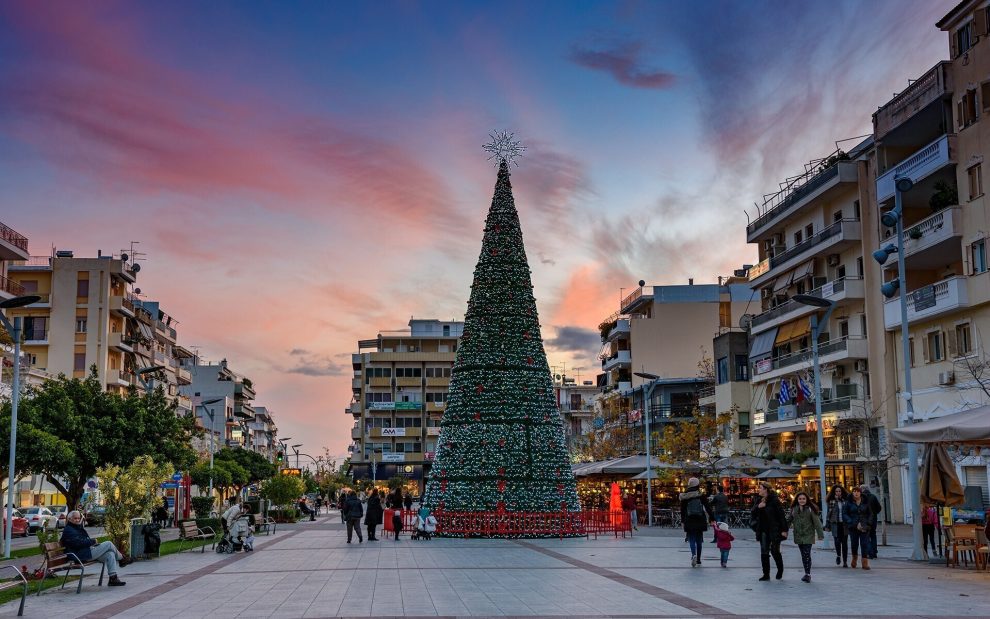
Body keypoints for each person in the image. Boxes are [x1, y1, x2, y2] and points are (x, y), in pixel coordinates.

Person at [60, 510, 131, 586]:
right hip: (80, 556)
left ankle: (113, 578)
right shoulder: (69, 530)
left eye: (78, 518)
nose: (77, 520)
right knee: (108, 544)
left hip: (86, 552)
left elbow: (84, 540)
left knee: (110, 554)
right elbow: (78, 544)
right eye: (75, 518)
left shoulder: (76, 528)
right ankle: (122, 559)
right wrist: (93, 541)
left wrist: (92, 544)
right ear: (69, 519)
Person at [751, 482, 787, 581]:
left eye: (761, 488)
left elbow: (781, 515)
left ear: (766, 489)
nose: (759, 489)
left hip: (774, 529)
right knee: (764, 552)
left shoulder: (774, 500)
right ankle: (766, 574)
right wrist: (758, 507)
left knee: (775, 551)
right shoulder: (758, 500)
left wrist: (784, 530)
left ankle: (780, 569)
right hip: (762, 529)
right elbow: (752, 512)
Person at [679, 477, 715, 567]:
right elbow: (708, 508)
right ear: (697, 484)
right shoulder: (700, 495)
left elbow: (682, 510)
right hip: (700, 519)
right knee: (699, 540)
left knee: (691, 538)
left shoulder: (685, 496)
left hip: (689, 519)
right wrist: (712, 518)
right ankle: (698, 559)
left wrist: (682, 521)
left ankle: (693, 554)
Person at [790, 492, 825, 582]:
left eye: (803, 499)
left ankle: (807, 574)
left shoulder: (810, 509)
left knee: (806, 554)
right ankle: (806, 572)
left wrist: (820, 534)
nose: (802, 500)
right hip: (798, 535)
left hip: (808, 535)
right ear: (797, 500)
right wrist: (783, 531)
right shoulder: (794, 509)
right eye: (800, 499)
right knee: (803, 555)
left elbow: (817, 523)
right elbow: (788, 520)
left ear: (807, 500)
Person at [844, 486, 873, 570]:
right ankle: (854, 559)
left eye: (857, 491)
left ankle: (865, 563)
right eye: (854, 491)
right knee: (854, 544)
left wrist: (868, 523)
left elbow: (871, 514)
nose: (856, 493)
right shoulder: (849, 503)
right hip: (853, 527)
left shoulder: (866, 502)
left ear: (860, 493)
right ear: (852, 493)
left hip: (864, 526)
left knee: (864, 544)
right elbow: (845, 514)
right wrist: (850, 522)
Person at [826, 485, 849, 567]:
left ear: (842, 492)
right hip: (835, 524)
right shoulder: (832, 501)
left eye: (839, 491)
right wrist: (827, 525)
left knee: (845, 543)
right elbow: (828, 514)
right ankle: (838, 555)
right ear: (834, 492)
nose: (838, 493)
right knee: (837, 541)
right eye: (836, 491)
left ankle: (845, 561)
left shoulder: (845, 501)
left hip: (844, 524)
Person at [861, 484, 882, 559]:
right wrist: (875, 513)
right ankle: (875, 551)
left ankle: (870, 552)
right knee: (873, 535)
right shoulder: (873, 496)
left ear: (862, 490)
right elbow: (879, 508)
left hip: (865, 519)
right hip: (874, 519)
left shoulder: (861, 498)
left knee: (866, 536)